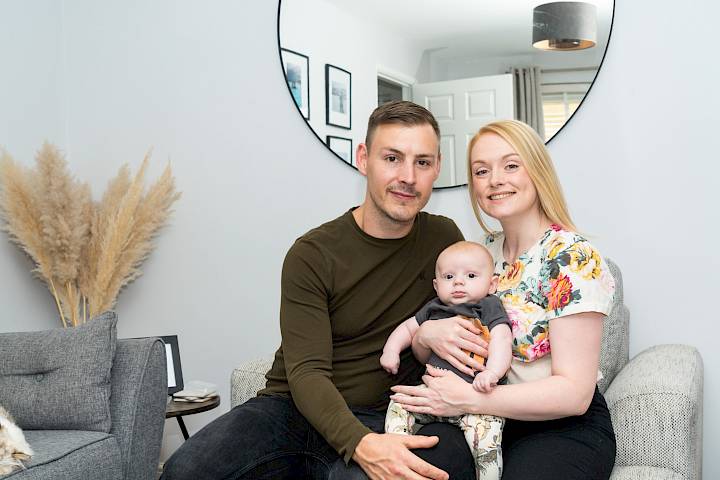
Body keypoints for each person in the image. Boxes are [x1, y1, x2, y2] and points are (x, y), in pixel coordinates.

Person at [160, 101, 480, 480]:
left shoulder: (444, 240)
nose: (407, 176)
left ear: (437, 168)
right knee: (186, 471)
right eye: (392, 158)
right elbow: (307, 371)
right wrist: (360, 444)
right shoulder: (313, 253)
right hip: (291, 410)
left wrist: (427, 333)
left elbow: (465, 325)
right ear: (364, 159)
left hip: (386, 411)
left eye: (422, 162)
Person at [389, 119, 617, 480]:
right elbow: (435, 347)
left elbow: (575, 394)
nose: (495, 179)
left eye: (511, 165)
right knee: (420, 468)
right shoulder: (480, 255)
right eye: (482, 170)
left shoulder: (572, 256)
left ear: (537, 171)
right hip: (477, 418)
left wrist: (471, 400)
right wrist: (425, 336)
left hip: (557, 424)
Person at [381, 240, 512, 480]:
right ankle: (400, 447)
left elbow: (502, 340)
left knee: (486, 443)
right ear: (436, 284)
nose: (459, 282)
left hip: (477, 397)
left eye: (471, 275)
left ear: (492, 283)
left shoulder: (488, 306)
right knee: (398, 404)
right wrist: (391, 350)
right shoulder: (434, 308)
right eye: (449, 276)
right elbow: (409, 328)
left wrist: (491, 373)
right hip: (432, 394)